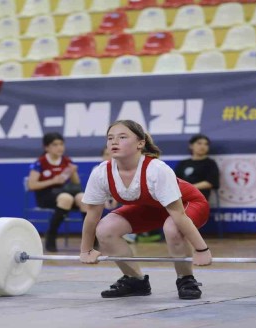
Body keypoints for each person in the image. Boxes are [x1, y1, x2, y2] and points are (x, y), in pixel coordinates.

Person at [80, 120, 212, 300]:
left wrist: (201, 249)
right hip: (150, 208)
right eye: (110, 138)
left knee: (172, 227)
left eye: (122, 137)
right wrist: (86, 249)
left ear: (140, 143)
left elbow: (179, 214)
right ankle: (135, 281)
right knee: (105, 229)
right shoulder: (101, 172)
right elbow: (92, 215)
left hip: (189, 204)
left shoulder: (157, 169)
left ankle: (186, 279)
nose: (114, 142)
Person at [27, 132, 86, 252]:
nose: (59, 147)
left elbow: (76, 184)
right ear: (46, 147)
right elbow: (31, 185)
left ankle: (90, 239)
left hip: (66, 192)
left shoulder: (67, 160)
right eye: (55, 144)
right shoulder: (40, 162)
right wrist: (52, 181)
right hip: (46, 195)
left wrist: (73, 172)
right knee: (66, 198)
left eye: (61, 144)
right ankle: (51, 236)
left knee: (83, 198)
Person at [174, 134, 219, 199]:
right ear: (191, 146)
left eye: (206, 144)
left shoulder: (210, 163)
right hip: (180, 198)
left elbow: (210, 182)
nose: (203, 146)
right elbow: (176, 180)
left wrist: (189, 188)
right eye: (199, 143)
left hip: (199, 198)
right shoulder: (183, 163)